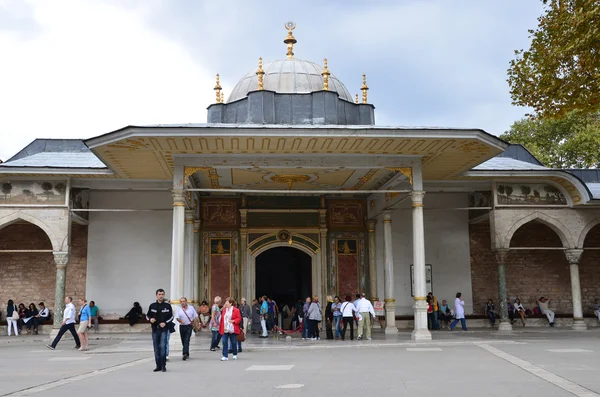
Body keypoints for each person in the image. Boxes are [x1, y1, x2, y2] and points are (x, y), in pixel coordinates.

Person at [146, 288, 173, 372]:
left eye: (162, 294)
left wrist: (165, 322)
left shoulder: (167, 306)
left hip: (164, 329)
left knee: (162, 346)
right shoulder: (152, 305)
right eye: (159, 294)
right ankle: (158, 365)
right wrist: (150, 319)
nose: (161, 296)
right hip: (155, 329)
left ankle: (163, 365)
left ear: (164, 295)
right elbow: (147, 315)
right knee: (156, 348)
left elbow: (171, 317)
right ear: (156, 295)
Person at [176, 297, 197, 361]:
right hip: (182, 326)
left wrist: (197, 324)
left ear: (186, 302)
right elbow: (177, 317)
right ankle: (187, 352)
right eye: (181, 301)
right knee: (183, 340)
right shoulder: (179, 309)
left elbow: (195, 316)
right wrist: (180, 320)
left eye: (183, 301)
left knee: (187, 339)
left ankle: (184, 353)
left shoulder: (191, 308)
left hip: (189, 326)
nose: (182, 303)